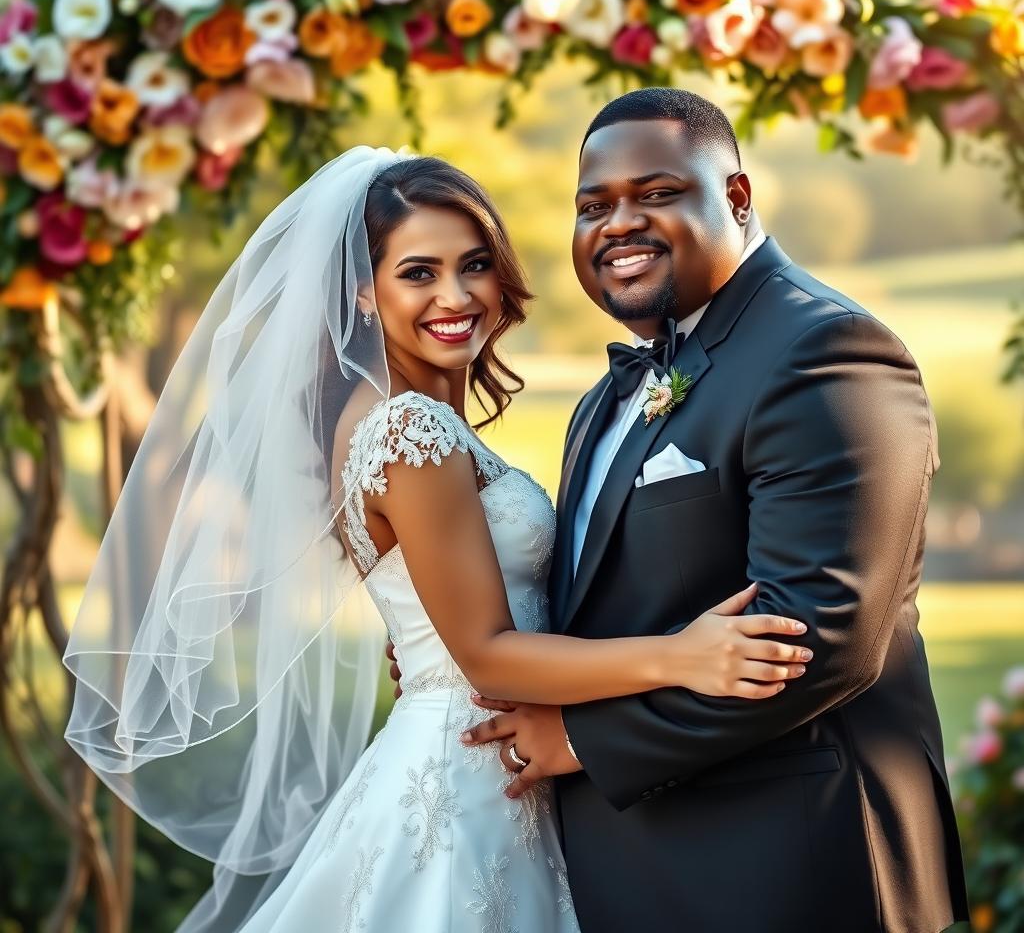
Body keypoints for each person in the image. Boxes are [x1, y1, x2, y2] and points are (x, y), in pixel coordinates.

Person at [63, 145, 810, 932]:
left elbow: (451, 627)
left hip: (486, 754)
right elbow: (484, 653)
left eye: (475, 264)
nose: (455, 295)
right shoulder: (408, 429)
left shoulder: (403, 418)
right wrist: (683, 656)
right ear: (362, 293)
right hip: (470, 781)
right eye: (418, 273)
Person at [461, 88, 971, 933]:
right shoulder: (605, 398)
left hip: (787, 867)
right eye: (594, 206)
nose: (618, 224)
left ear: (735, 197)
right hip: (631, 868)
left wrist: (581, 742)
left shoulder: (827, 352)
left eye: (656, 193)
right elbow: (601, 601)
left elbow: (820, 639)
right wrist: (463, 640)